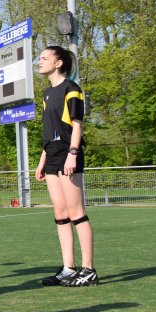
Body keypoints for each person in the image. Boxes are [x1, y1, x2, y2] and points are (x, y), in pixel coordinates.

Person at [35, 45, 98, 287]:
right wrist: (42, 161)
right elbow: (48, 131)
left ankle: (89, 270)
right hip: (51, 155)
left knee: (76, 213)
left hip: (67, 152)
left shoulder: (72, 89)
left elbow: (77, 125)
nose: (39, 62)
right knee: (60, 214)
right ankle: (68, 269)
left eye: (44, 58)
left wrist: (73, 153)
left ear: (59, 62)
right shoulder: (47, 94)